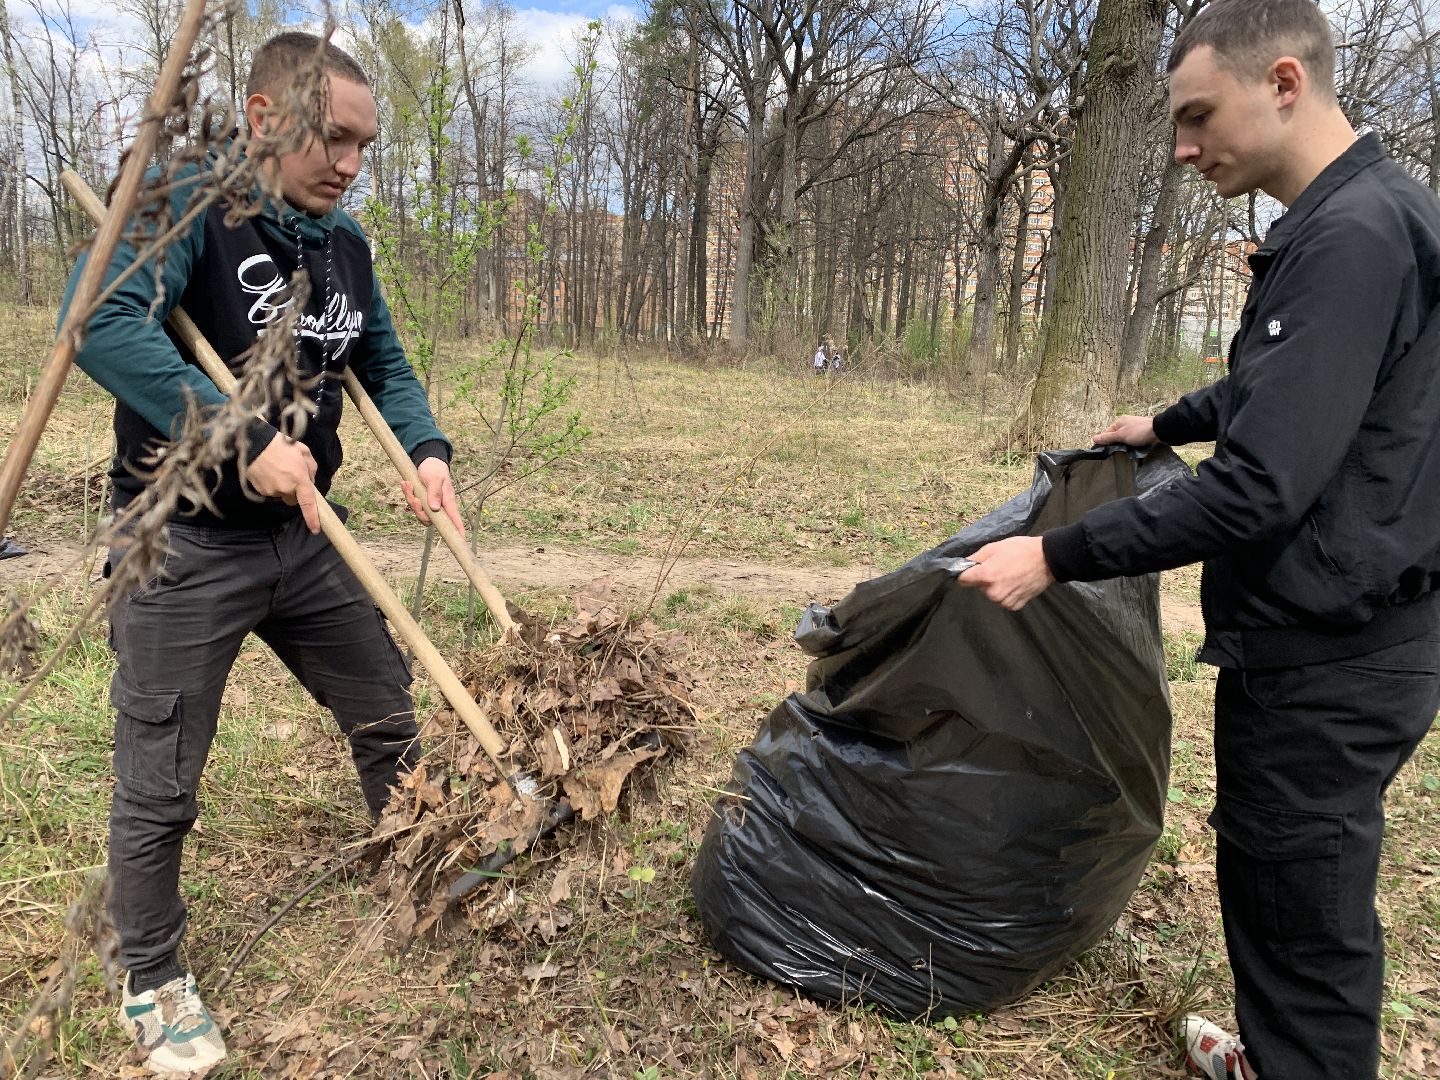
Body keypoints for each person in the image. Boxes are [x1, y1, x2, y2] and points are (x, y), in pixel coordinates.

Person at [956, 3, 1440, 1079]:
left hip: (1329, 659)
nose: (1181, 147)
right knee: (1286, 893)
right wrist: (1165, 424)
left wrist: (1056, 556)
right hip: (1357, 634)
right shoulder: (1363, 215)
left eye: (1195, 115)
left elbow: (1260, 486)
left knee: (1303, 916)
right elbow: (1297, 393)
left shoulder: (1351, 241)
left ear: (1281, 83)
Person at [60, 33, 464, 1075]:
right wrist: (240, 438)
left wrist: (425, 449)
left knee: (386, 704)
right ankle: (150, 977)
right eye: (332, 137)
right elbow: (99, 324)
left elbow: (379, 356)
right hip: (182, 537)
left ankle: (414, 860)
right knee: (162, 779)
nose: (347, 162)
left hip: (302, 531)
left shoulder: (343, 243)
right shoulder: (185, 200)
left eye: (363, 146)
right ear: (263, 116)